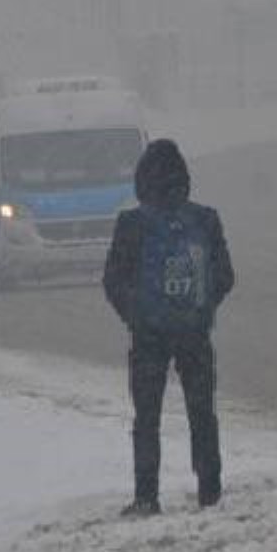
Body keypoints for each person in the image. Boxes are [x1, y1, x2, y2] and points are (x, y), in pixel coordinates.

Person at [103, 139, 234, 517]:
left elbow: (113, 280)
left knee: (147, 417)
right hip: (195, 334)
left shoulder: (132, 224)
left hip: (148, 338)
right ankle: (209, 491)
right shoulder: (205, 220)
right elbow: (225, 276)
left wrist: (137, 315)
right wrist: (201, 307)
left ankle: (147, 495)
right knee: (202, 413)